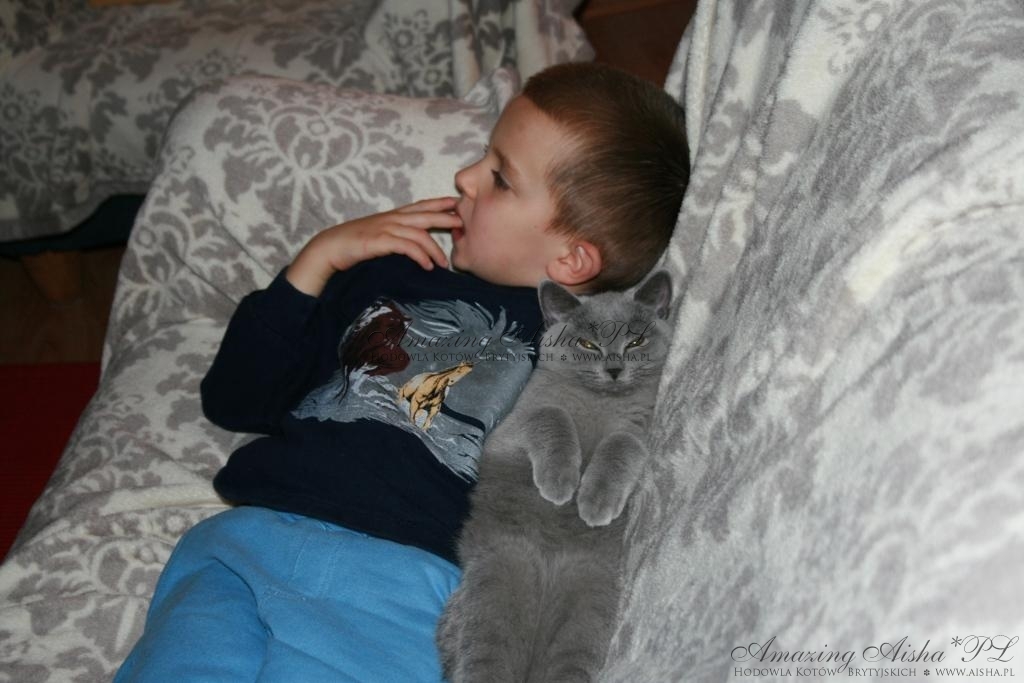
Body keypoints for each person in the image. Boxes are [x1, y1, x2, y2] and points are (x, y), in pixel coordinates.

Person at [114, 62, 690, 682]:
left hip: (400, 581)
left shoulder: (574, 350)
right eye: (482, 156)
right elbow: (234, 400)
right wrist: (317, 261)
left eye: (499, 178)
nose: (465, 176)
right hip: (247, 535)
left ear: (571, 259)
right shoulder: (389, 273)